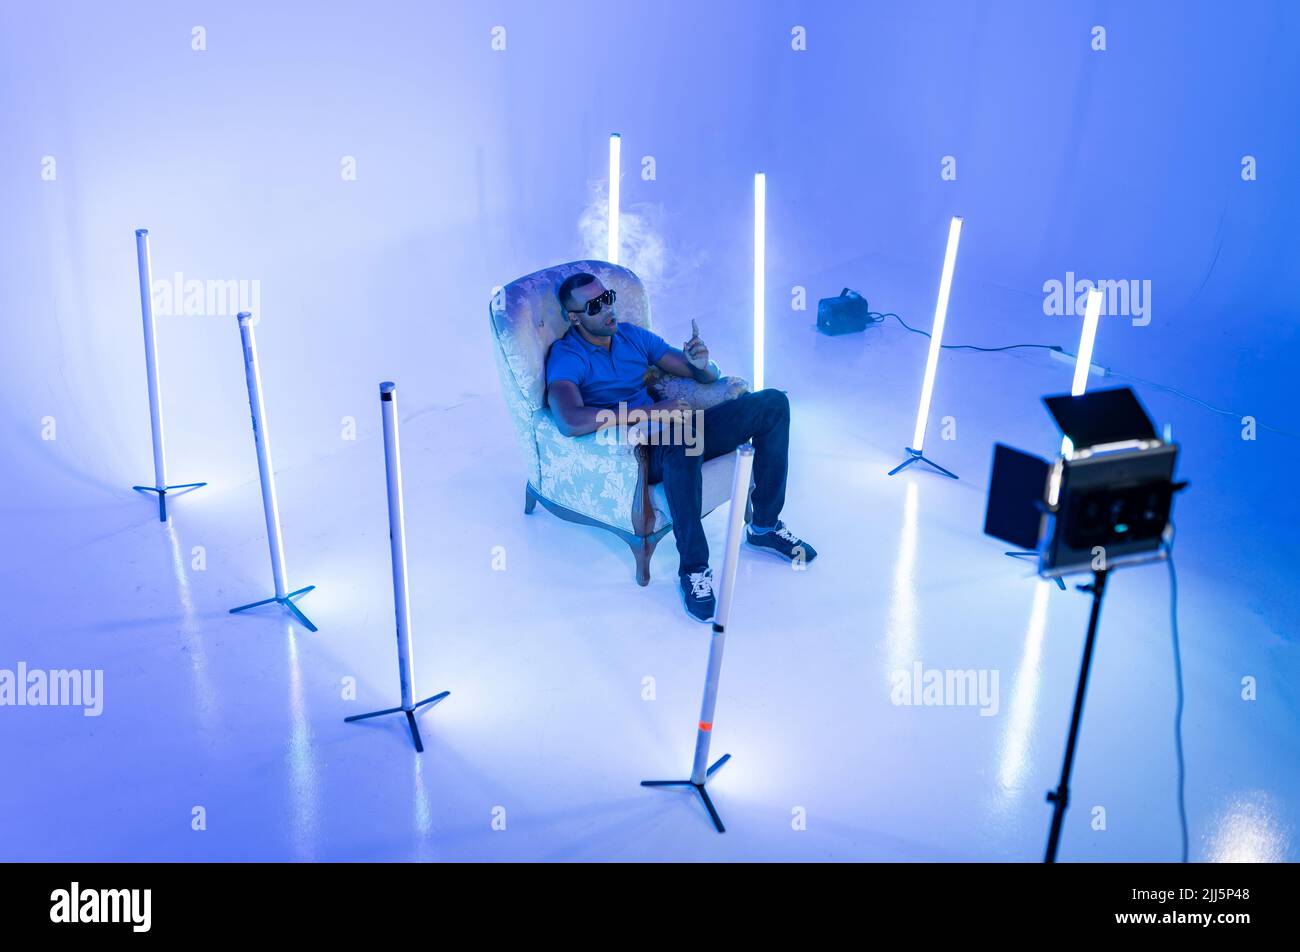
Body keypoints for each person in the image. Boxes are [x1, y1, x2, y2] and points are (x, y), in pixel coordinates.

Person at [545, 272, 817, 621]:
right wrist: (652, 412)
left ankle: (764, 526)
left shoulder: (630, 336)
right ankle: (693, 569)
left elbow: (700, 375)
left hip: (679, 425)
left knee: (773, 404)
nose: (608, 308)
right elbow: (570, 420)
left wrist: (704, 364)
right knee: (682, 437)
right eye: (595, 305)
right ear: (574, 317)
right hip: (641, 449)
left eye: (608, 297)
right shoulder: (567, 356)